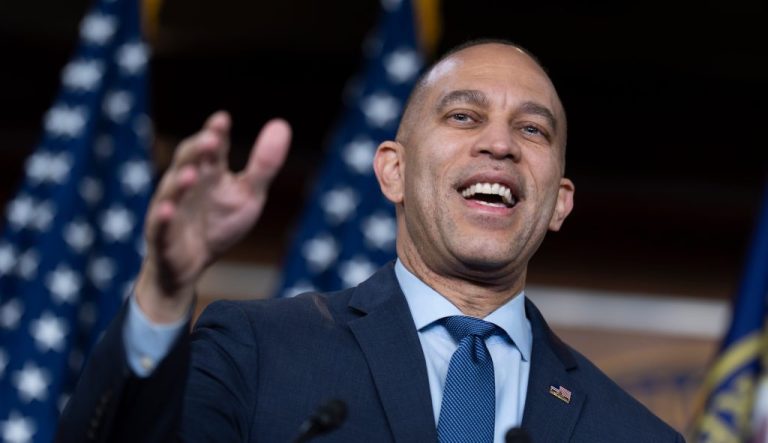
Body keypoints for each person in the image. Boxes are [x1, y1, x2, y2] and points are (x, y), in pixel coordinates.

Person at [57, 40, 685, 442]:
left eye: (532, 129)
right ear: (394, 171)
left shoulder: (632, 434)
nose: (500, 144)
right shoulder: (257, 352)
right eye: (463, 116)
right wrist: (164, 292)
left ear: (559, 203)